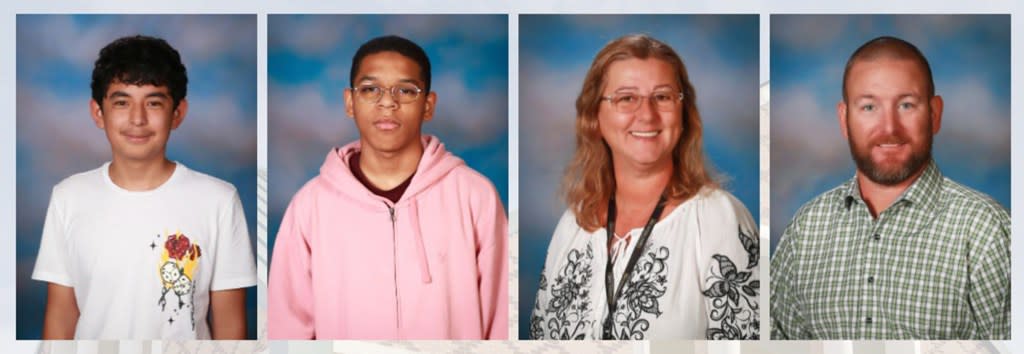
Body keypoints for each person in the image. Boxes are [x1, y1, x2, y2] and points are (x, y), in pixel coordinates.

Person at [267, 35, 508, 339]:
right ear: (349, 102)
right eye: (370, 89)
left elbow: (501, 321)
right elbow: (287, 331)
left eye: (406, 90)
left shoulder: (475, 197)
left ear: (428, 105)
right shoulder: (309, 206)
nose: (387, 102)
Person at [770, 36, 1010, 340]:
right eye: (869, 107)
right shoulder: (806, 230)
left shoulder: (986, 230)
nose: (889, 128)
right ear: (844, 119)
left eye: (906, 105)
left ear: (935, 114)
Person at [529, 34, 759, 340]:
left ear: (684, 113)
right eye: (626, 98)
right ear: (595, 116)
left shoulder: (719, 219)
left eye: (662, 97)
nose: (647, 114)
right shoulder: (572, 224)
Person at [31, 35, 257, 339]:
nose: (137, 119)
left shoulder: (218, 200)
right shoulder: (68, 197)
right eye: (122, 103)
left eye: (153, 103)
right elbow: (60, 318)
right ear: (98, 112)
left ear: (177, 113)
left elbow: (231, 329)